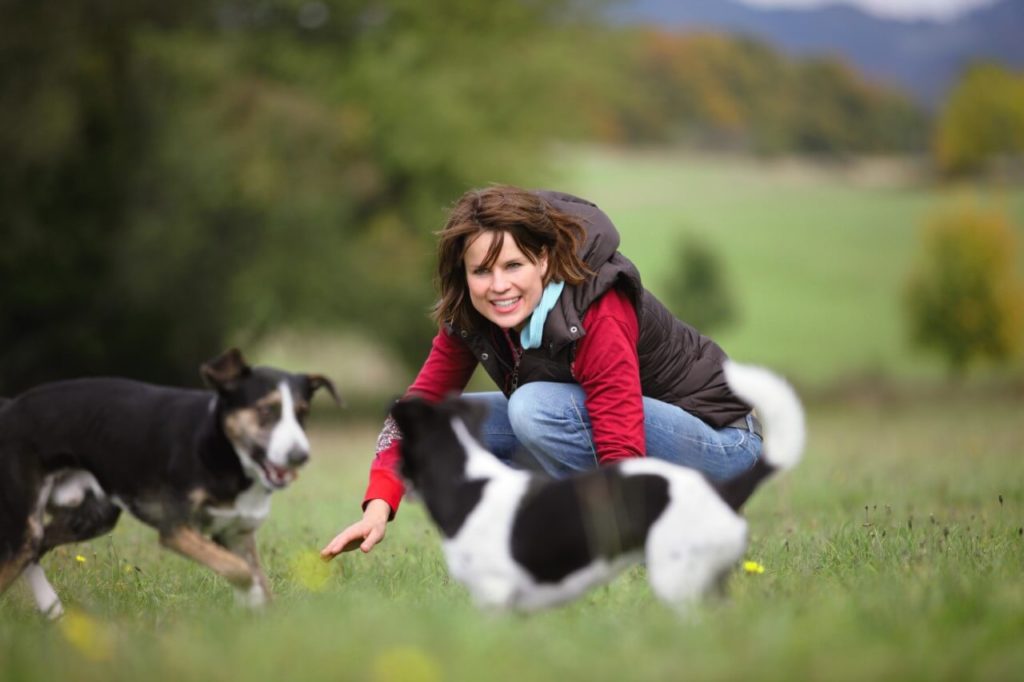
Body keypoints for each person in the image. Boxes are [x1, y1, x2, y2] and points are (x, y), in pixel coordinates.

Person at [321, 186, 761, 559]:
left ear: (545, 260)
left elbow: (618, 433)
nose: (498, 286)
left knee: (534, 408)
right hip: (628, 438)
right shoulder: (470, 313)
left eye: (513, 265)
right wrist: (377, 507)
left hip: (721, 443)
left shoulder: (599, 305)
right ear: (464, 274)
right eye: (481, 271)